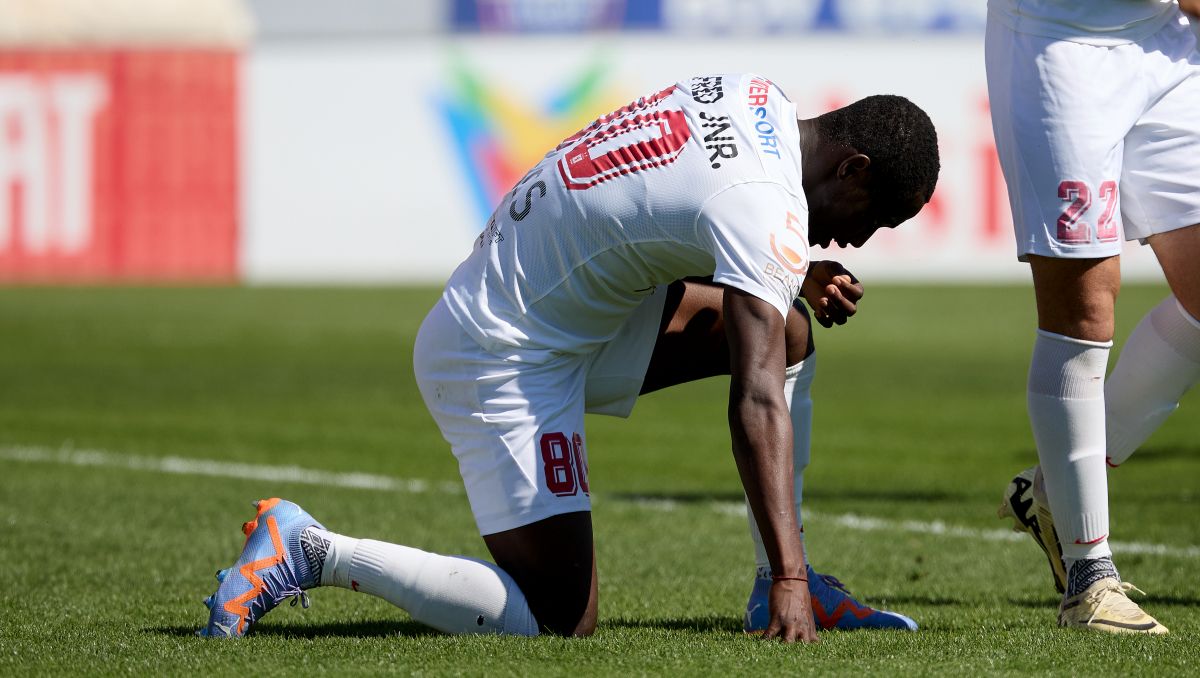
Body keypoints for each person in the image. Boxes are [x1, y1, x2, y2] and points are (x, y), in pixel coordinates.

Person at [199, 74, 940, 643]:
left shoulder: (756, 97)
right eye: (874, 218)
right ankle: (310, 549)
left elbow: (672, 201)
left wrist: (783, 267)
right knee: (558, 618)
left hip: (552, 310)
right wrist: (790, 573)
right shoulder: (760, 204)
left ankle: (782, 583)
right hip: (497, 352)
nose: (859, 241)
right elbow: (754, 400)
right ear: (853, 167)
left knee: (790, 329)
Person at [987, 0, 1200, 635]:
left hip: (1168, 43)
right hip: (1061, 45)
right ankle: (1089, 580)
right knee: (1084, 305)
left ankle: (1055, 491)